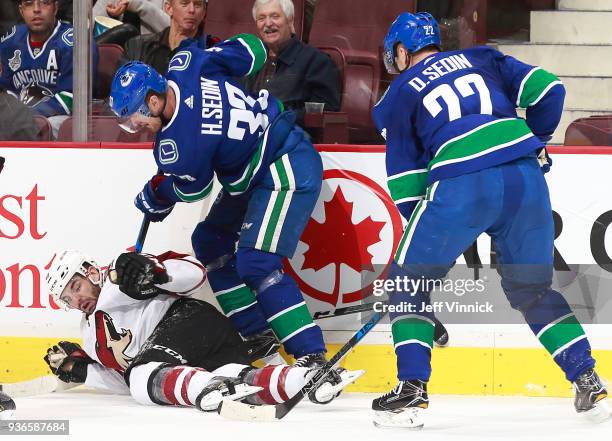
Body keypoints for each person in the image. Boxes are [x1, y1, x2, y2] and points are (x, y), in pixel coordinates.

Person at [370, 12, 609, 428]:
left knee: (405, 282)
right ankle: (587, 378)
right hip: (525, 177)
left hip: (463, 182)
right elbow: (550, 89)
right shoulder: (483, 56)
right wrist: (537, 140)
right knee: (532, 290)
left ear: (403, 52)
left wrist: (430, 251)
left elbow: (408, 185)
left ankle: (411, 393)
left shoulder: (397, 95)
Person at [109, 34, 333, 370]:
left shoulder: (178, 146)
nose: (136, 126)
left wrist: (158, 195)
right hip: (255, 165)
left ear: (154, 101)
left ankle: (311, 356)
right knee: (209, 241)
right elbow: (254, 51)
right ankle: (257, 334)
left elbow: (192, 190)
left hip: (283, 162)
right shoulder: (185, 64)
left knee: (256, 262)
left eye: (135, 117)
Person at [44, 250, 361, 411]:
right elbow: (126, 382)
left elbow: (194, 274)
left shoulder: (121, 274)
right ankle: (308, 379)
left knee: (143, 374)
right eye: (68, 298)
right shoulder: (89, 337)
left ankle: (205, 389)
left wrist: (156, 272)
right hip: (190, 359)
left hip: (193, 323)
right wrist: (84, 371)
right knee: (240, 381)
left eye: (76, 286)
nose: (78, 299)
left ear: (90, 270)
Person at [245, 0, 340, 130]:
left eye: (275, 16)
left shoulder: (316, 61)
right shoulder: (249, 61)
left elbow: (324, 113)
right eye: (261, 18)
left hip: (291, 139)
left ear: (290, 20)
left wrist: (280, 118)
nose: (268, 23)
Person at [0, 0, 98, 120]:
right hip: (18, 121)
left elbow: (73, 98)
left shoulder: (76, 41)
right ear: (21, 11)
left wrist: (25, 116)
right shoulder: (10, 42)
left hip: (62, 119)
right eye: (29, 4)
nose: (36, 9)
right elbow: (6, 91)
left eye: (45, 2)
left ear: (55, 8)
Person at [122, 0, 218, 75]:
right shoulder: (138, 46)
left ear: (204, 13)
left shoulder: (212, 54)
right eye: (184, 3)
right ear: (169, 8)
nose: (192, 10)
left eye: (197, 5)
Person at [93, 0, 170, 36]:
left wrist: (137, 4)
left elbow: (173, 29)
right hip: (113, 58)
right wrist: (112, 14)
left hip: (149, 58)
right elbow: (89, 27)